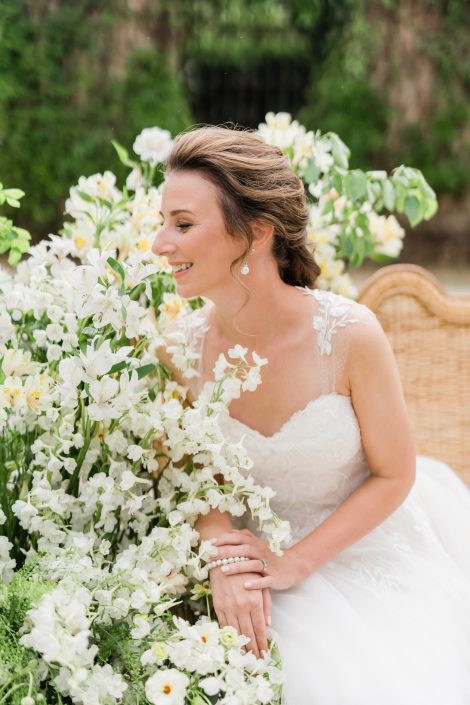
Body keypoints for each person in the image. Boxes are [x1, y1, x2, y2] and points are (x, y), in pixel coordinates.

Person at [152, 126, 470, 704]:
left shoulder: (348, 336)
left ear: (254, 234)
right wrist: (224, 564)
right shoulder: (177, 350)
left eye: (182, 224)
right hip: (248, 566)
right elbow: (200, 484)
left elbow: (396, 474)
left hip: (359, 550)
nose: (157, 243)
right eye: (163, 222)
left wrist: (295, 563)